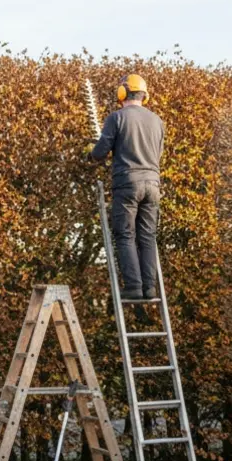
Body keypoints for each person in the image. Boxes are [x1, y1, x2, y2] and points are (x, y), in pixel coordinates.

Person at [90, 74, 164, 300]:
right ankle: (149, 288)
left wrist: (90, 151)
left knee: (125, 235)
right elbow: (158, 154)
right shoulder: (157, 121)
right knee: (148, 236)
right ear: (145, 95)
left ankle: (133, 286)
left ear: (122, 93)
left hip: (127, 183)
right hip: (153, 184)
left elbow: (101, 152)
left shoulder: (116, 118)